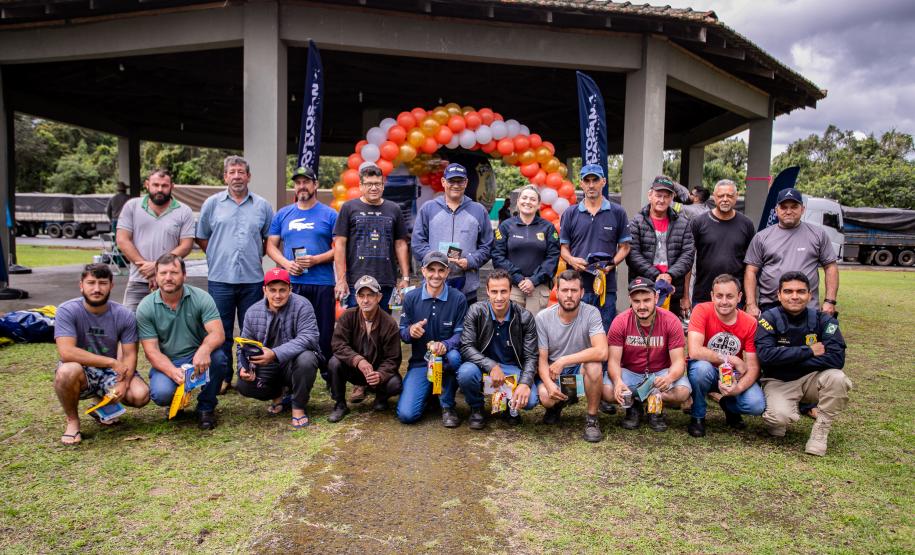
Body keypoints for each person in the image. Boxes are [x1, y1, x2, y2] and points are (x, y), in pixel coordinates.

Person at [196, 155, 274, 393]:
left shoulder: (262, 206)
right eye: (232, 172)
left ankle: (251, 372)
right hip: (221, 279)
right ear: (225, 176)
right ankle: (223, 376)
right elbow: (201, 236)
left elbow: (269, 239)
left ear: (248, 176)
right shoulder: (212, 204)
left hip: (252, 279)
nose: (237, 176)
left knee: (253, 330)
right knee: (221, 332)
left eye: (241, 172)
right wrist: (218, 254)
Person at [755, 271, 850, 456]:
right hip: (779, 381)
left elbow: (837, 359)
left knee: (838, 378)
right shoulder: (768, 319)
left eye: (800, 291)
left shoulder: (824, 321)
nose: (794, 296)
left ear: (810, 295)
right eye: (788, 291)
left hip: (812, 379)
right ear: (779, 295)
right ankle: (783, 413)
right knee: (778, 421)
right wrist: (809, 351)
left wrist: (786, 358)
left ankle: (820, 432)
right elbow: (766, 357)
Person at [53, 264, 150, 445]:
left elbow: (130, 354)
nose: (97, 289)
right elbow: (66, 352)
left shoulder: (124, 314)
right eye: (91, 283)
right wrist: (111, 362)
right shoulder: (67, 310)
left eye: (103, 283)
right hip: (81, 370)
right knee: (67, 372)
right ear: (81, 285)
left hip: (110, 374)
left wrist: (123, 382)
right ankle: (73, 421)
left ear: (111, 286)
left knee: (140, 395)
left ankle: (101, 406)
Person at [136, 254, 228, 430]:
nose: (168, 277)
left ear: (184, 275)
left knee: (218, 358)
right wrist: (172, 371)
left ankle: (206, 407)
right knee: (161, 394)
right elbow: (152, 351)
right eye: (163, 273)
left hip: (197, 356)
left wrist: (204, 349)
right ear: (156, 276)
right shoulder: (145, 307)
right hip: (169, 360)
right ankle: (174, 403)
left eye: (174, 272)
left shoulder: (201, 297)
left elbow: (218, 333)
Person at [266, 166, 337, 384]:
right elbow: (270, 246)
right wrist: (286, 264)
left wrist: (317, 259)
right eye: (298, 183)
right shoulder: (283, 214)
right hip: (292, 283)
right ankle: (291, 377)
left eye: (306, 182)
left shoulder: (330, 214)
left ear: (315, 185)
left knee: (324, 332)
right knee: (290, 332)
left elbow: (340, 248)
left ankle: (328, 377)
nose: (302, 186)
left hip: (322, 282)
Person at [235, 268, 322, 429]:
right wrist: (243, 367)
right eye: (272, 290)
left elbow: (309, 337)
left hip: (292, 362)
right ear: (264, 290)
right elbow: (243, 345)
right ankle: (278, 394)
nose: (277, 295)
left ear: (290, 289)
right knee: (243, 385)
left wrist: (275, 353)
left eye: (282, 290)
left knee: (307, 359)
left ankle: (298, 407)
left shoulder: (303, 305)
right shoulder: (252, 312)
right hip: (266, 365)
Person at [457, 269, 539, 429]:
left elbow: (531, 357)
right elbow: (466, 347)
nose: (499, 297)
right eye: (494, 292)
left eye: (503, 291)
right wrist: (491, 365)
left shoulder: (525, 317)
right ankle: (477, 408)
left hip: (512, 369)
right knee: (465, 373)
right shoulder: (476, 311)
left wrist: (525, 383)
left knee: (530, 400)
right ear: (487, 291)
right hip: (483, 368)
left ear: (510, 291)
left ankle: (510, 407)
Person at [685, 274, 765, 438]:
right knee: (700, 368)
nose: (724, 301)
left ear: (739, 297)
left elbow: (753, 367)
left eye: (730, 296)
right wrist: (732, 358)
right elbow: (694, 351)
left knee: (756, 404)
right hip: (707, 371)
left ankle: (729, 405)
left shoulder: (750, 323)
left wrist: (738, 388)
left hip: (732, 376)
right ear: (712, 296)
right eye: (719, 296)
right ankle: (698, 416)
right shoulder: (701, 310)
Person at [535, 270, 610, 442]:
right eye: (565, 290)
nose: (569, 295)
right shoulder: (543, 318)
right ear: (557, 292)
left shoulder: (591, 313)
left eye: (574, 291)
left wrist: (564, 360)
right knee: (546, 397)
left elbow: (602, 351)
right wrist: (548, 383)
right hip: (554, 372)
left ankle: (592, 419)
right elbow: (542, 359)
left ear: (582, 293)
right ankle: (557, 405)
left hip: (578, 369)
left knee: (594, 365)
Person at [607, 277, 690, 432]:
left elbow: (679, 362)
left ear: (656, 298)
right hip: (630, 373)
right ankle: (633, 406)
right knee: (605, 390)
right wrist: (618, 381)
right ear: (630, 300)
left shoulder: (671, 321)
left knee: (683, 392)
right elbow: (613, 361)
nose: (642, 306)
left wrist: (669, 378)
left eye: (647, 300)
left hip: (660, 373)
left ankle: (655, 409)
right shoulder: (620, 321)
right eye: (637, 301)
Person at [397, 251, 467, 427]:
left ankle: (448, 405)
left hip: (446, 361)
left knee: (454, 357)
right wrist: (411, 331)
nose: (436, 275)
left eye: (441, 270)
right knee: (407, 415)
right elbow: (403, 333)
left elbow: (461, 334)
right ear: (423, 271)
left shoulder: (458, 298)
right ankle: (430, 395)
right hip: (421, 362)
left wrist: (445, 345)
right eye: (431, 269)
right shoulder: (411, 297)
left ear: (447, 272)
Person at [744, 188, 839, 318]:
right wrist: (750, 304)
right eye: (784, 207)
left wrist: (830, 301)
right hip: (771, 306)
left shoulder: (818, 235)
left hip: (807, 306)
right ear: (776, 210)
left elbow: (830, 267)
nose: (789, 211)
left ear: (803, 209)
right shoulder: (761, 237)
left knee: (809, 339)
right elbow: (751, 271)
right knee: (768, 339)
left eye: (794, 207)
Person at [559, 164, 631, 331]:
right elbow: (563, 248)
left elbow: (625, 247)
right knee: (576, 334)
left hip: (606, 286)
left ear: (603, 182)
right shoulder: (570, 213)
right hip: (576, 286)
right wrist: (571, 260)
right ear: (581, 184)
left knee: (605, 334)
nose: (591, 185)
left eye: (595, 180)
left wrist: (611, 264)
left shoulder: (618, 212)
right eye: (587, 180)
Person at [412, 162, 494, 305]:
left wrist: (471, 261)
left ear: (466, 182)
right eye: (451, 181)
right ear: (443, 182)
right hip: (434, 285)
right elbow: (417, 243)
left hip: (467, 287)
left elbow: (487, 245)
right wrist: (435, 260)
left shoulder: (478, 210)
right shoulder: (428, 209)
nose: (455, 185)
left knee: (466, 327)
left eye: (460, 181)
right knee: (435, 327)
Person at [333, 164, 411, 313]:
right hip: (355, 282)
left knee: (383, 327)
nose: (373, 188)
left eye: (377, 184)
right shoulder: (349, 208)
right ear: (361, 186)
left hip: (386, 281)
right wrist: (341, 279)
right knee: (357, 329)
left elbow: (401, 244)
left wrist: (405, 278)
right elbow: (340, 244)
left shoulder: (394, 209)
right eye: (369, 184)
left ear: (383, 186)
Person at [116, 168, 195, 311]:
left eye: (164, 186)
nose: (160, 189)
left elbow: (186, 245)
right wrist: (148, 269)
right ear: (147, 184)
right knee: (129, 325)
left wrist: (157, 268)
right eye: (156, 185)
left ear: (172, 186)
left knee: (171, 328)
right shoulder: (132, 206)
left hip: (170, 282)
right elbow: (122, 240)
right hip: (138, 280)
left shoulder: (184, 211)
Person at [327, 275, 404, 423]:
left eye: (370, 295)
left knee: (395, 384)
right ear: (356, 298)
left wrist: (380, 374)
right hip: (354, 369)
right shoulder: (348, 316)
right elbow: (338, 344)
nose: (365, 300)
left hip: (376, 371)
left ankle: (381, 397)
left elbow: (393, 358)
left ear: (379, 297)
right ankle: (340, 404)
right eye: (361, 295)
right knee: (334, 363)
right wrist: (358, 360)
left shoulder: (390, 323)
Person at [626, 175, 695, 318]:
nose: (662, 200)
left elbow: (688, 254)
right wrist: (657, 275)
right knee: (640, 334)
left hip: (673, 289)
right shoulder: (637, 222)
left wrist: (669, 275)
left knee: (670, 334)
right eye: (658, 195)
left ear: (672, 198)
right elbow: (632, 255)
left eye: (666, 196)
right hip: (643, 289)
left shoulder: (683, 223)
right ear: (650, 195)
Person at [491, 185, 560, 315]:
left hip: (538, 289)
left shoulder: (548, 228)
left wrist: (533, 280)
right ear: (518, 202)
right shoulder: (505, 226)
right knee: (512, 330)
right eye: (524, 198)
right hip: (512, 289)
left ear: (539, 204)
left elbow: (553, 258)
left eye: (533, 199)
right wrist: (519, 279)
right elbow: (497, 256)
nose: (528, 202)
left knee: (536, 332)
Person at [688, 179, 756, 306]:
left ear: (736, 197)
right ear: (714, 197)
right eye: (721, 196)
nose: (725, 199)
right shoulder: (699, 223)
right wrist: (685, 296)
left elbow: (751, 266)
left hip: (735, 297)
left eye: (729, 196)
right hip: (704, 295)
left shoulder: (747, 224)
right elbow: (688, 260)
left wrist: (750, 301)